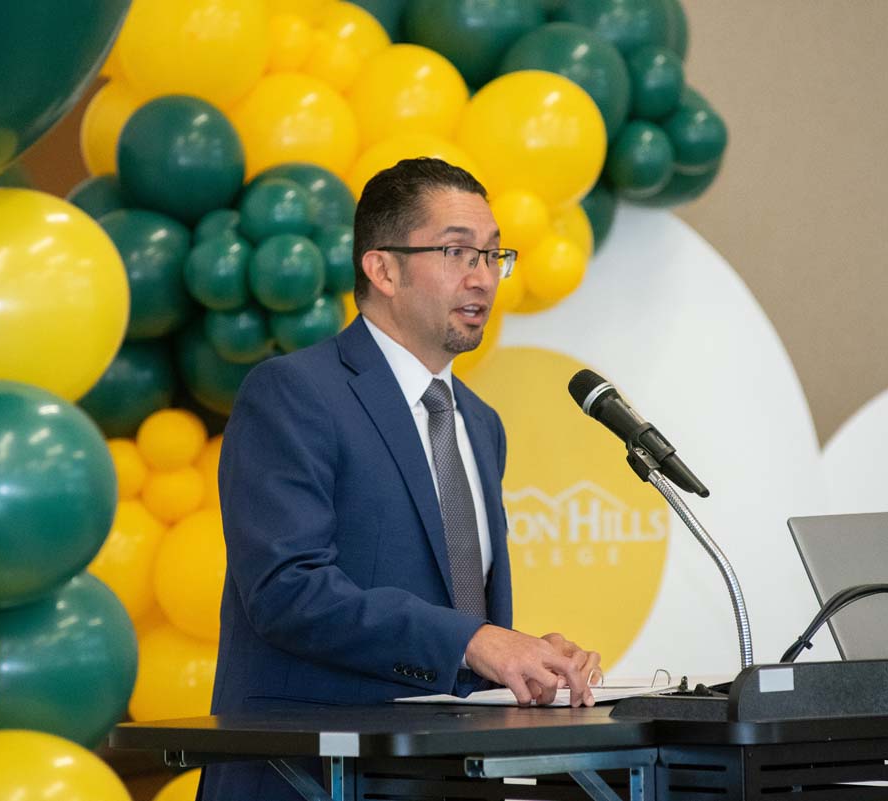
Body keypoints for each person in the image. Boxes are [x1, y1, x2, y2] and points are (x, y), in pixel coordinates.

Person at [200, 158, 601, 801]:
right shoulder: (295, 393)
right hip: (312, 776)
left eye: (495, 254)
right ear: (382, 268)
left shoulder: (480, 422)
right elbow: (286, 590)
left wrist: (522, 653)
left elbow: (456, 605)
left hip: (450, 775)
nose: (484, 278)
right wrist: (472, 640)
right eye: (457, 251)